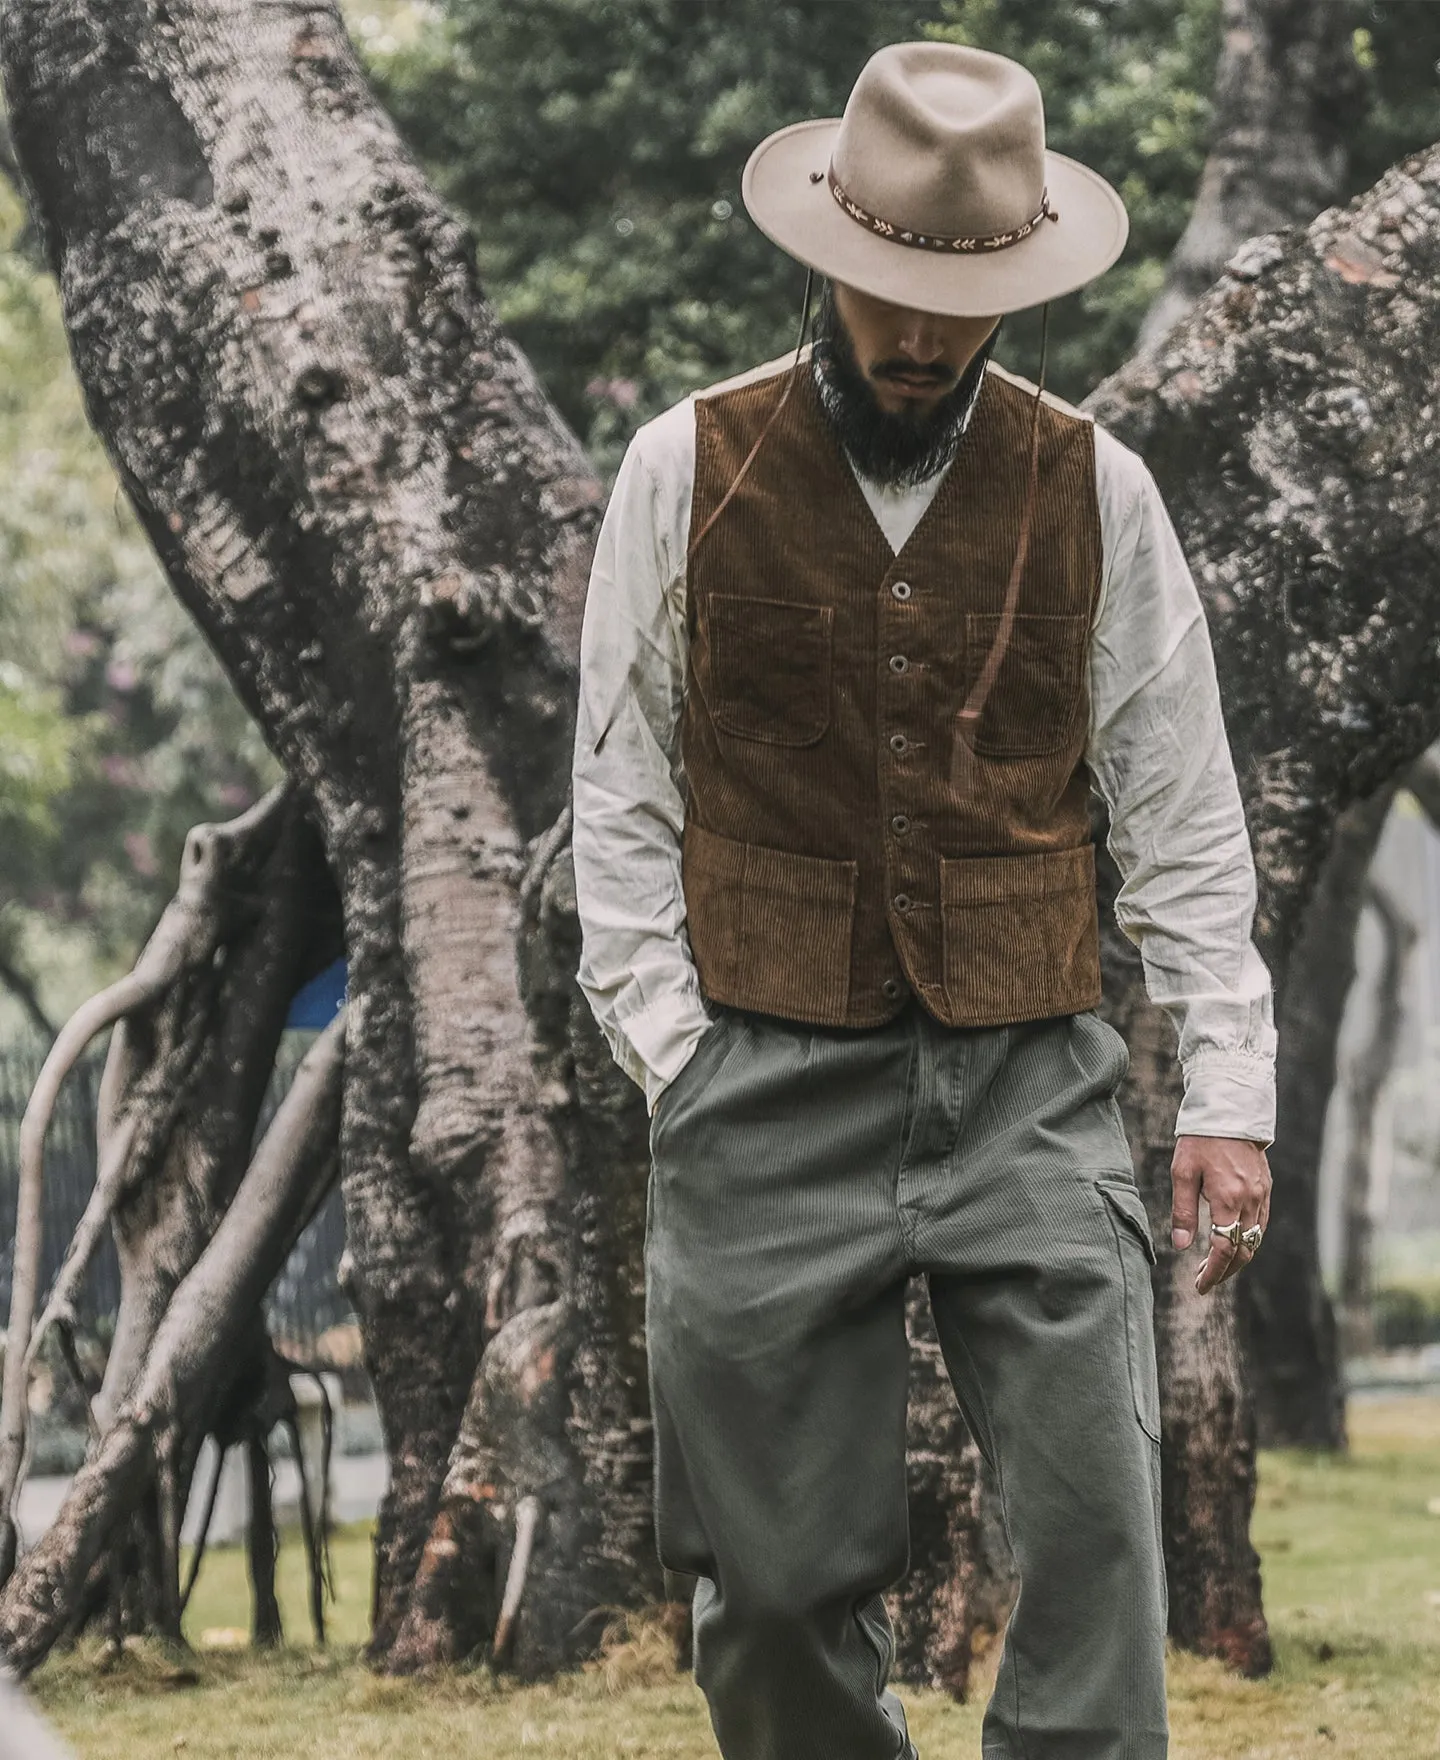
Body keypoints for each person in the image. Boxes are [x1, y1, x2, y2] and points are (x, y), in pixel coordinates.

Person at [571, 39, 1276, 1760]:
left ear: (1014, 293)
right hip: (758, 1072)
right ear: (826, 256)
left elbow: (1182, 808)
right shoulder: (685, 466)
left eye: (958, 304)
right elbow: (619, 787)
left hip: (1028, 1077)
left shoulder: (1098, 488)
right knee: (775, 1590)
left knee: (1102, 1538)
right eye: (887, 293)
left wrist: (1231, 1093)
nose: (917, 336)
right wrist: (685, 1061)